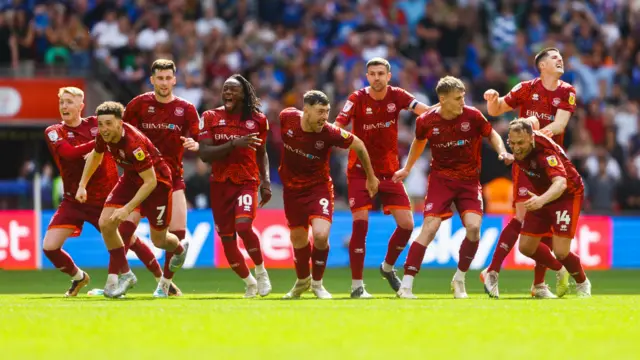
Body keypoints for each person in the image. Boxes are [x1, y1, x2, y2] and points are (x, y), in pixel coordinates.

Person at [44, 87, 172, 297]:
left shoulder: (98, 123)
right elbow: (68, 153)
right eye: (62, 102)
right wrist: (101, 142)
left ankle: (161, 281)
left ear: (80, 106)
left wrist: (106, 137)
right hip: (74, 198)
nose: (64, 106)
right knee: (49, 247)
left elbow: (123, 132)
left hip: (105, 195)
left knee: (129, 241)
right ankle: (78, 278)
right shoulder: (54, 131)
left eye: (69, 102)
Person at [392, 76, 511, 299]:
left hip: (469, 181)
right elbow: (419, 142)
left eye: (463, 97)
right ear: (442, 99)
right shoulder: (426, 121)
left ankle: (459, 279)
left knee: (474, 229)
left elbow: (492, 133)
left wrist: (501, 150)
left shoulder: (473, 115)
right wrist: (407, 168)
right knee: (429, 227)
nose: (462, 102)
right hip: (441, 180)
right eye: (457, 98)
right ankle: (406, 285)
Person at [482, 47, 577, 298]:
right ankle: (492, 271)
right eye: (554, 58)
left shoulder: (567, 91)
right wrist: (492, 99)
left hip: (550, 162)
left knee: (543, 223)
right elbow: (497, 110)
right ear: (542, 66)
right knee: (523, 216)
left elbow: (560, 125)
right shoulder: (526, 88)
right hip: (525, 162)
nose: (560, 60)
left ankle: (538, 285)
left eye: (561, 57)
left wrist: (533, 132)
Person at [335, 57, 431, 298]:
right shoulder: (356, 99)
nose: (376, 78)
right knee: (360, 225)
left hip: (390, 171)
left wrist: (443, 116)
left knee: (407, 225)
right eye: (372, 74)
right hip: (359, 171)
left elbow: (424, 111)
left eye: (381, 73)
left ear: (389, 76)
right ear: (366, 77)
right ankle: (357, 286)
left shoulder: (397, 95)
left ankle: (387, 267)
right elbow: (338, 124)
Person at [76, 101, 188, 298]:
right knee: (106, 223)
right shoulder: (104, 136)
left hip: (158, 185)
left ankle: (179, 248)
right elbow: (96, 155)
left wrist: (126, 209)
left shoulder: (133, 144)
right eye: (101, 124)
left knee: (159, 241)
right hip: (131, 178)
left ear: (120, 123)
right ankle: (126, 275)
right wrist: (82, 185)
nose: (104, 129)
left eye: (109, 123)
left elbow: (150, 182)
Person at [278, 90, 379, 299]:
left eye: (327, 111)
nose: (325, 117)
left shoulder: (329, 133)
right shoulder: (287, 117)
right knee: (297, 239)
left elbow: (358, 144)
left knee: (321, 235)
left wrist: (370, 176)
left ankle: (317, 284)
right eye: (320, 111)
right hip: (292, 191)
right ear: (306, 110)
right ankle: (302, 281)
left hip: (319, 188)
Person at [121, 59, 200, 297]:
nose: (164, 82)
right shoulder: (138, 105)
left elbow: (199, 138)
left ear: (174, 80)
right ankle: (116, 279)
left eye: (168, 78)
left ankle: (164, 285)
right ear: (152, 79)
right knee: (123, 230)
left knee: (175, 235)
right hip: (140, 177)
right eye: (160, 78)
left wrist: (195, 143)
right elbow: (122, 134)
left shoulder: (186, 109)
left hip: (172, 179)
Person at [198, 75, 272, 298]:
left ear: (244, 94)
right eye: (225, 89)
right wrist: (233, 144)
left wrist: (266, 181)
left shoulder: (258, 120)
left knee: (243, 227)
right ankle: (249, 282)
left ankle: (260, 271)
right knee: (228, 241)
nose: (228, 93)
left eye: (233, 90)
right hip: (219, 185)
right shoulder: (210, 116)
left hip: (246, 181)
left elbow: (262, 153)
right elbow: (203, 153)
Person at [505, 118, 591, 297]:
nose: (516, 147)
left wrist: (541, 200)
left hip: (567, 195)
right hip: (542, 194)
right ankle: (561, 269)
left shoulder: (545, 153)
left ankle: (582, 282)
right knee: (526, 247)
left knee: (561, 251)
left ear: (531, 137)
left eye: (520, 143)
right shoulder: (520, 146)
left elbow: (561, 184)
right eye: (512, 143)